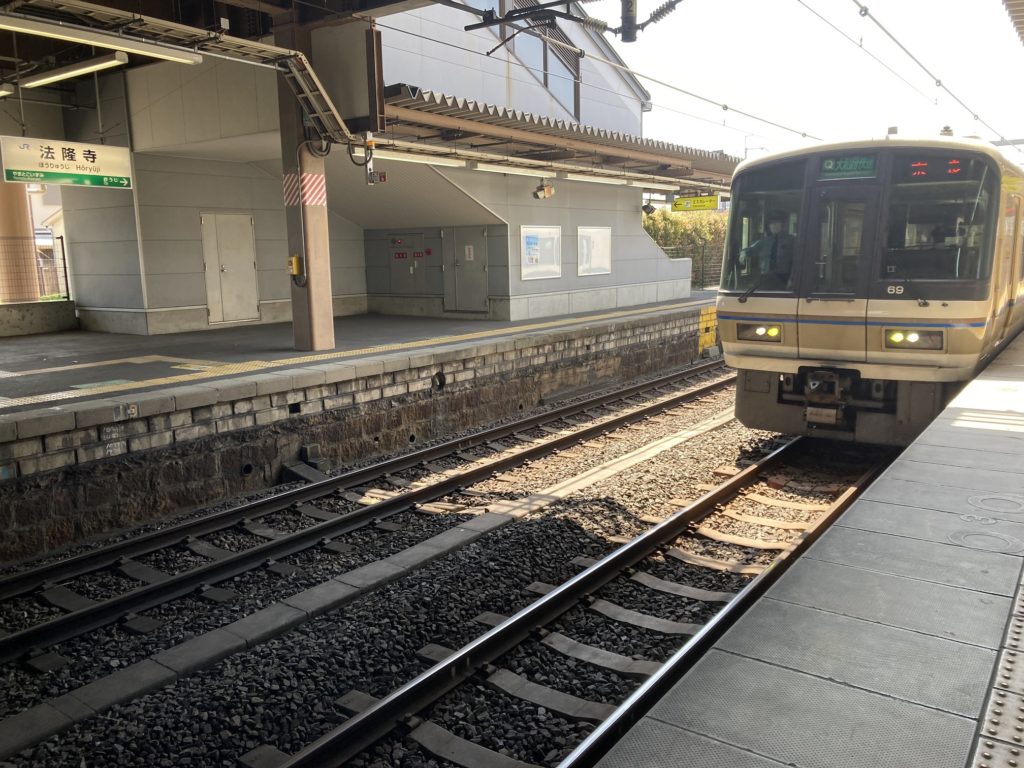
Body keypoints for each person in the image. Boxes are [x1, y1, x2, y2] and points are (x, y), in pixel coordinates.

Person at [745, 209, 796, 288]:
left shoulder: (791, 241)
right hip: (766, 277)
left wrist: (791, 279)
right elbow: (752, 249)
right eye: (771, 223)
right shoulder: (765, 241)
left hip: (783, 278)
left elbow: (796, 262)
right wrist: (743, 253)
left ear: (782, 225)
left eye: (776, 223)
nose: (773, 226)